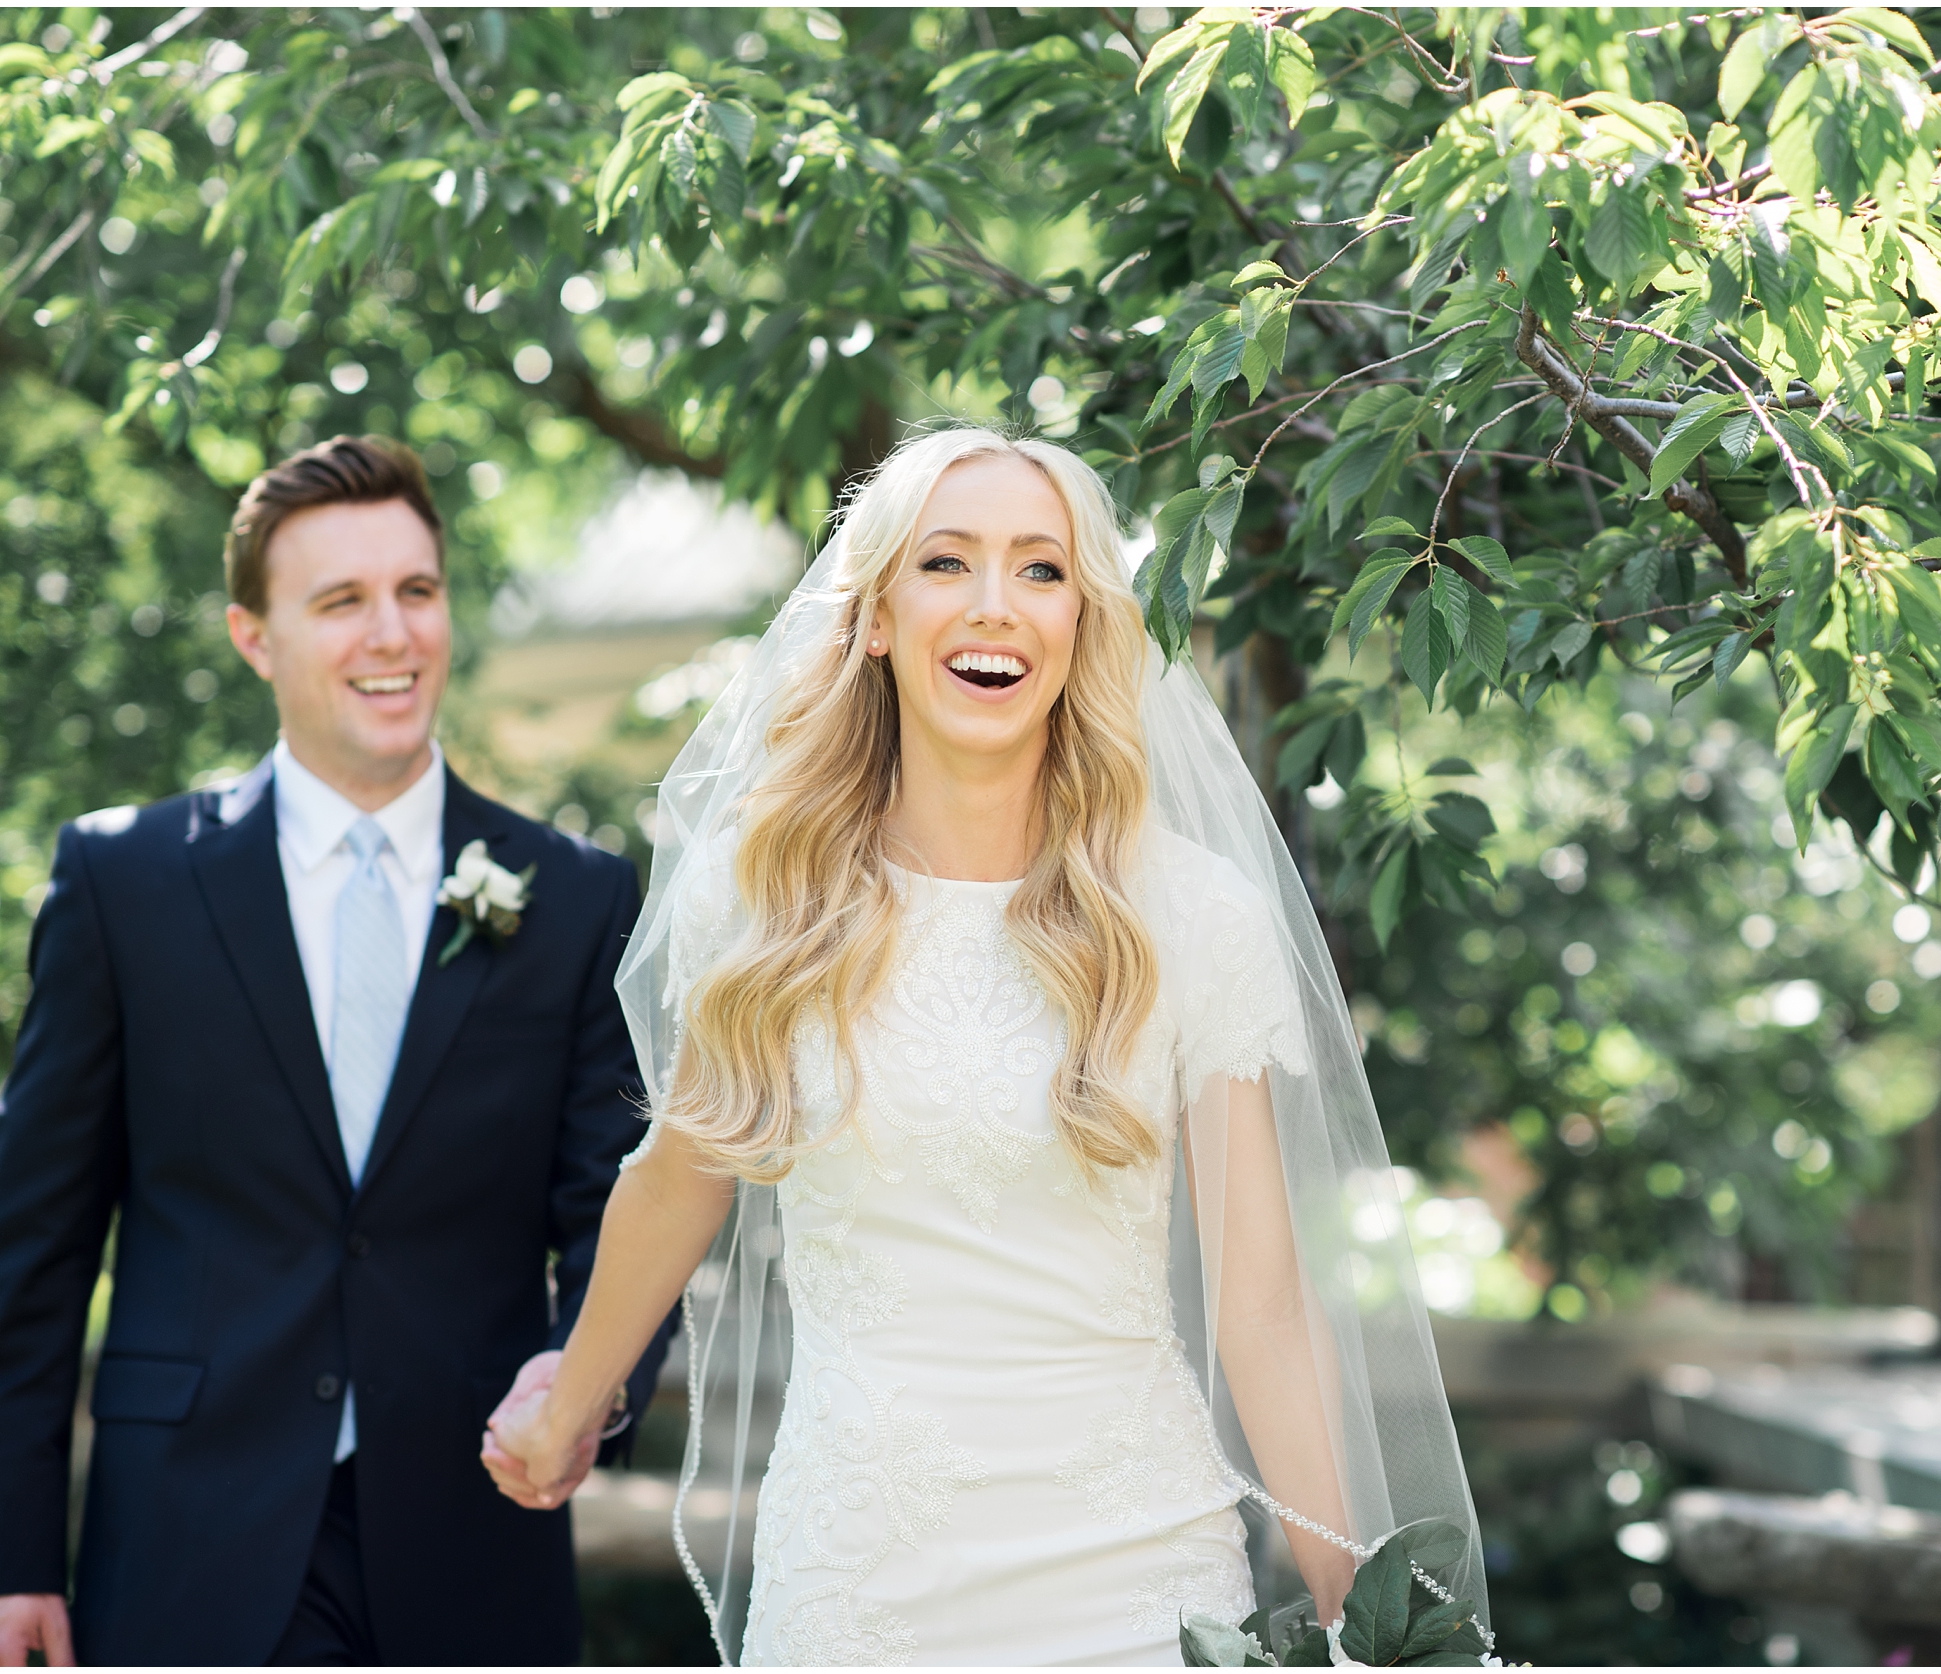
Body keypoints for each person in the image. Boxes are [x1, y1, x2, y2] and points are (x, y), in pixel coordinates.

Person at [482, 426, 1486, 1666]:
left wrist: (1361, 1626)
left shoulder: (1190, 914)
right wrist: (566, 1408)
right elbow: (680, 1176)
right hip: (860, 1567)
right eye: (947, 563)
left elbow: (1265, 1305)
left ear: (1083, 623)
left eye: (1042, 570)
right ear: (880, 617)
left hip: (1137, 1563)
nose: (996, 606)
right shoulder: (764, 894)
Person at [0, 435, 673, 1666]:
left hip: (474, 1529)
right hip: (191, 1531)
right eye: (340, 602)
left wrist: (585, 1382)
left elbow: (620, 1209)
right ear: (255, 637)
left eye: (417, 591)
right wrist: (10, 1565)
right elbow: (37, 1246)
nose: (390, 635)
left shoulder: (576, 898)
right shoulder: (124, 882)